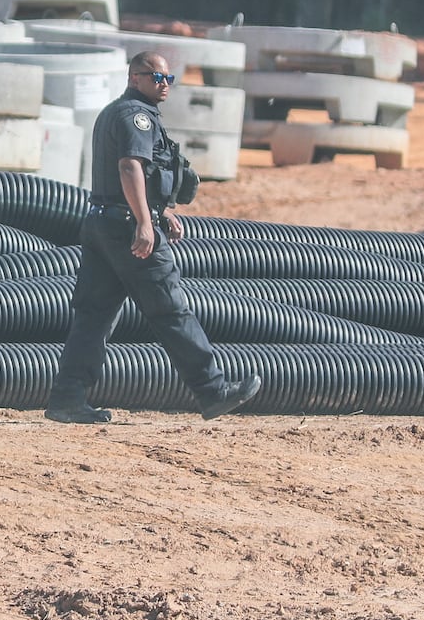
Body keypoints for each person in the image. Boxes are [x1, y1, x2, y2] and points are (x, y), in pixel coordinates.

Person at [46, 51, 262, 424]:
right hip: (127, 228)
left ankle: (67, 398)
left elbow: (131, 178)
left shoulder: (116, 112)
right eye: (156, 77)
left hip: (102, 223)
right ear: (135, 78)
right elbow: (130, 167)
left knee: (94, 317)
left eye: (168, 78)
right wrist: (146, 223)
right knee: (171, 309)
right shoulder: (136, 116)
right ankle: (212, 390)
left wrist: (161, 214)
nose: (164, 84)